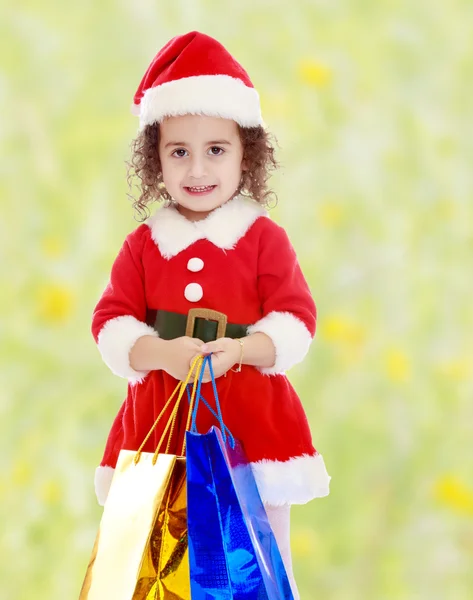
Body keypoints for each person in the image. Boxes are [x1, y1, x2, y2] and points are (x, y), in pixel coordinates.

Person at [91, 30, 331, 598]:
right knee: (157, 562)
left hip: (252, 420)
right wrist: (160, 354)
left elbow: (295, 319)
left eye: (216, 150)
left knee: (263, 557)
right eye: (179, 152)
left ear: (247, 152)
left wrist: (243, 350)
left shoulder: (262, 238)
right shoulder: (144, 244)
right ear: (156, 159)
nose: (197, 169)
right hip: (160, 420)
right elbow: (112, 322)